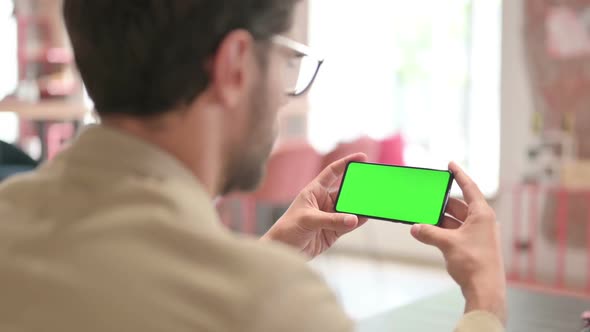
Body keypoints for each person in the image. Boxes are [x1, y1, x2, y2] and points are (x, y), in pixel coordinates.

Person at [0, 1, 506, 331]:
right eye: (287, 61)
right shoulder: (274, 307)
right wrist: (485, 297)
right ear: (236, 65)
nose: (286, 94)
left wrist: (268, 253)